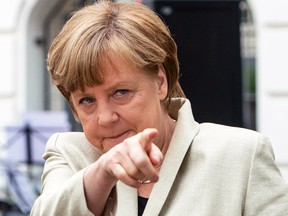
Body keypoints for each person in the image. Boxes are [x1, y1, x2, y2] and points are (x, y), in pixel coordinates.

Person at [31, 0, 288, 215]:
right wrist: (104, 171)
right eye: (87, 100)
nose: (106, 118)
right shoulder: (68, 154)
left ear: (161, 82)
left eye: (121, 93)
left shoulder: (242, 155)